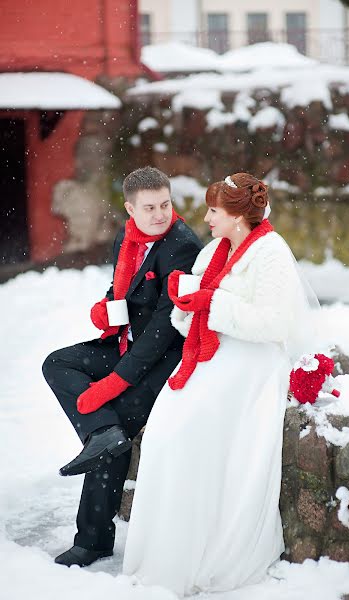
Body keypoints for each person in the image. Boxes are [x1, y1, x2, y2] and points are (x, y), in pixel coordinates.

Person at [122, 172, 318, 597]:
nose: (205, 217)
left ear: (236, 216)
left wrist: (213, 303)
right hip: (210, 354)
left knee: (195, 431)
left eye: (214, 211)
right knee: (164, 433)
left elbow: (275, 323)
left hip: (253, 359)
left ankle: (207, 547)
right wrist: (185, 303)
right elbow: (192, 316)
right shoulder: (213, 249)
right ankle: (166, 549)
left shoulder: (271, 253)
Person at [42, 166, 203, 568]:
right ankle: (102, 430)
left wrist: (115, 382)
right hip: (124, 343)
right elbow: (122, 288)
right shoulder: (126, 237)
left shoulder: (182, 247)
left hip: (164, 361)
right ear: (130, 209)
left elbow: (165, 331)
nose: (160, 214)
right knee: (57, 364)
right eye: (149, 208)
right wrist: (106, 308)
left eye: (165, 204)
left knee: (119, 424)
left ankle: (92, 541)